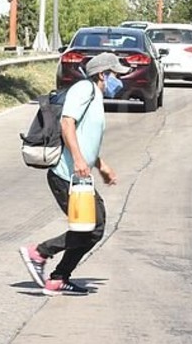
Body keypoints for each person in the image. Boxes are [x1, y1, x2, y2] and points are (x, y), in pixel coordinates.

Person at [18, 52, 127, 296]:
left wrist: (101, 165)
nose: (119, 80)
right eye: (115, 75)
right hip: (65, 175)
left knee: (92, 228)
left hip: (79, 177)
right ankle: (40, 252)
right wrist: (78, 159)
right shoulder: (84, 90)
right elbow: (67, 124)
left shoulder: (95, 96)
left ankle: (59, 278)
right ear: (102, 74)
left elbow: (84, 137)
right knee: (91, 228)